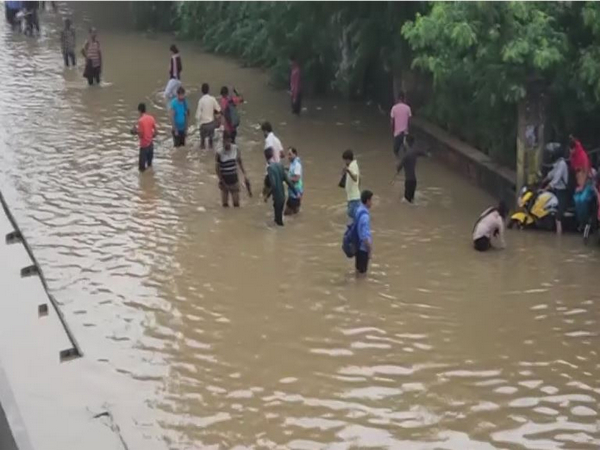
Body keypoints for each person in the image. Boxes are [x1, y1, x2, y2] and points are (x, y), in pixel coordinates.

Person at [263, 147, 296, 226]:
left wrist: (267, 195)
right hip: (283, 196)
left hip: (277, 198)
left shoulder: (270, 168)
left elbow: (273, 185)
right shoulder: (280, 165)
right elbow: (288, 181)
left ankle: (282, 236)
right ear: (273, 155)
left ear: (265, 157)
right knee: (278, 219)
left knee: (278, 222)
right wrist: (295, 192)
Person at [215, 130, 249, 208]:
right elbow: (217, 169)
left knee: (236, 205)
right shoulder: (219, 152)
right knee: (225, 205)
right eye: (224, 141)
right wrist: (221, 180)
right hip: (224, 181)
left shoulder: (235, 149)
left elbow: (240, 161)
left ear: (230, 140)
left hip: (234, 181)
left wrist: (245, 174)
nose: (225, 143)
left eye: (227, 141)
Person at [394, 135, 427, 203]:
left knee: (406, 202)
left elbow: (399, 167)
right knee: (411, 201)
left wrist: (397, 167)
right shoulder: (415, 152)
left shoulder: (406, 155)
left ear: (406, 143)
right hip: (414, 181)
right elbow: (424, 153)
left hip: (408, 181)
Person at [542, 149, 569, 234]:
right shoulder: (558, 164)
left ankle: (559, 234)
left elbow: (556, 179)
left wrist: (546, 188)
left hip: (562, 192)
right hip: (556, 190)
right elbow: (551, 174)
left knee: (558, 216)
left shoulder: (562, 164)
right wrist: (542, 181)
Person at [131, 103, 157, 172]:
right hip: (151, 145)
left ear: (139, 111)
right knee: (149, 166)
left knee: (141, 169)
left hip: (144, 146)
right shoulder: (151, 118)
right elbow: (156, 132)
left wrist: (135, 131)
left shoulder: (141, 121)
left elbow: (141, 135)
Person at [196, 83, 221, 150]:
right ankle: (210, 155)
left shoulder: (201, 101)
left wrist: (198, 124)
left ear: (202, 91)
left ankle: (203, 155)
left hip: (203, 124)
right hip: (211, 124)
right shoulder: (212, 99)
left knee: (202, 142)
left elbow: (197, 115)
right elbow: (218, 109)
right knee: (211, 142)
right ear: (208, 90)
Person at [354, 190, 374, 276]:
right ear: (367, 201)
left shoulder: (358, 210)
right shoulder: (365, 217)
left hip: (357, 246)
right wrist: (369, 250)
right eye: (371, 200)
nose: (372, 203)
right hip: (363, 249)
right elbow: (365, 237)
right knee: (362, 275)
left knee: (358, 271)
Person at [390, 91, 412, 158]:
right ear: (404, 99)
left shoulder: (394, 108)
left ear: (398, 99)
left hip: (397, 134)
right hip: (405, 133)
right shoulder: (408, 108)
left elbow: (392, 122)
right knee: (406, 151)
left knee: (395, 152)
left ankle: (397, 162)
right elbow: (409, 121)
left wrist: (393, 130)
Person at [342, 149, 361, 220]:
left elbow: (355, 178)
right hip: (352, 198)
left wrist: (348, 171)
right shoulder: (352, 166)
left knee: (353, 218)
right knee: (352, 218)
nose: (344, 162)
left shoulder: (353, 166)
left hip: (354, 199)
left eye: (344, 160)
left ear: (347, 159)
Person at [285, 147, 303, 215]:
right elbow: (291, 169)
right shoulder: (293, 163)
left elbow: (297, 178)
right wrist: (284, 168)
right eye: (288, 155)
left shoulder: (297, 165)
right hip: (296, 193)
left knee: (286, 214)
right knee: (295, 213)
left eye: (290, 154)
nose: (288, 157)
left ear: (295, 154)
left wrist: (286, 179)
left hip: (295, 193)